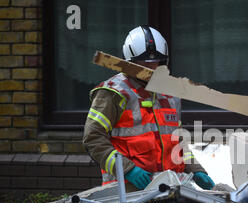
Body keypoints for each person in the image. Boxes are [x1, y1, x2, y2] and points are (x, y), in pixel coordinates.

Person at [83, 25, 215, 191]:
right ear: (130, 61)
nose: (150, 66)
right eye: (144, 61)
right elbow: (93, 138)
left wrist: (195, 169)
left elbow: (177, 141)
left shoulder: (170, 94)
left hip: (171, 187)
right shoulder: (113, 92)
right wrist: (128, 169)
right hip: (126, 189)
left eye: (155, 61)